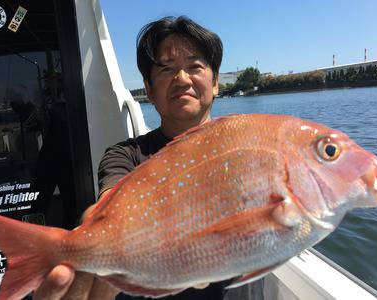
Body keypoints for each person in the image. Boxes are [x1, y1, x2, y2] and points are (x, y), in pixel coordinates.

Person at [33, 16, 263, 300]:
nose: (181, 78)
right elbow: (107, 202)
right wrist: (90, 234)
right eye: (166, 69)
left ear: (215, 82)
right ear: (149, 89)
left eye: (195, 66)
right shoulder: (125, 155)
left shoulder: (244, 149)